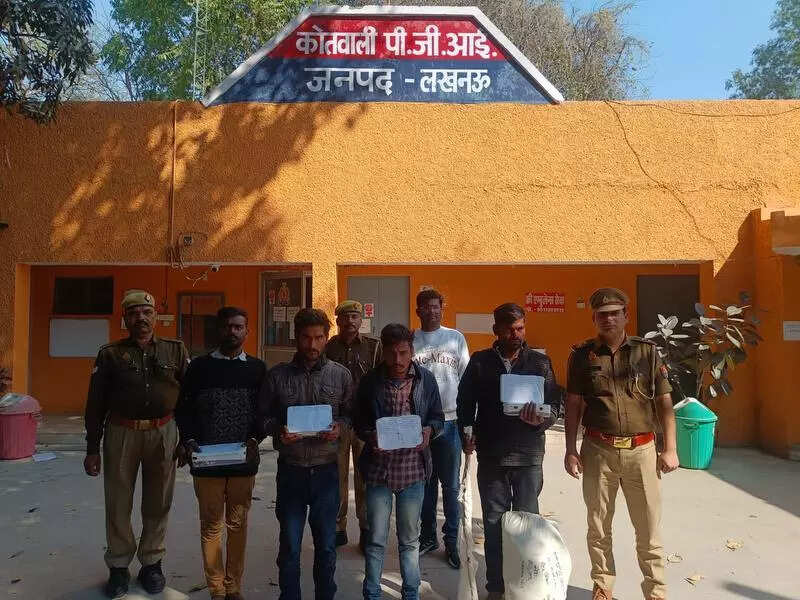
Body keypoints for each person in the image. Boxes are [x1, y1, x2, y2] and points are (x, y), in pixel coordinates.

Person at [564, 287, 679, 600]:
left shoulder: (647, 353)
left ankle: (656, 592)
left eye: (615, 313)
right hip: (598, 450)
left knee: (648, 528)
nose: (609, 319)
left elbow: (664, 401)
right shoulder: (582, 356)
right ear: (594, 318)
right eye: (602, 315)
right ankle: (603, 586)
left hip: (642, 451)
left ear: (626, 315)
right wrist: (570, 450)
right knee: (599, 526)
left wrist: (670, 448)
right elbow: (573, 404)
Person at [83, 289, 189, 598]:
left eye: (146, 312)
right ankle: (118, 566)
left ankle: (151, 563)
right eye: (133, 313)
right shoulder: (110, 354)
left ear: (155, 316)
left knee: (159, 500)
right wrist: (92, 448)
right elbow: (95, 404)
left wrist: (187, 438)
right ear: (125, 319)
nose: (140, 318)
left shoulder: (175, 350)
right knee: (118, 501)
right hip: (121, 432)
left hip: (164, 431)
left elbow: (189, 397)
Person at [457, 303, 561, 600]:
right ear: (496, 331)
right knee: (494, 524)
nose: (516, 334)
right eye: (509, 330)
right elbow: (465, 403)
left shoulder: (540, 363)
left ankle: (526, 588)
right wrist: (466, 433)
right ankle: (496, 587)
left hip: (529, 455)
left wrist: (543, 419)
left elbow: (554, 405)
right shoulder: (480, 362)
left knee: (527, 526)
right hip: (491, 455)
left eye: (520, 328)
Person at [259, 308, 353, 600]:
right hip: (291, 471)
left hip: (327, 471)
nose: (312, 345)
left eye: (318, 338)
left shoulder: (341, 375)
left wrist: (340, 427)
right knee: (290, 545)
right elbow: (261, 418)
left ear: (327, 338)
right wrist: (278, 430)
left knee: (326, 546)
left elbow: (351, 415)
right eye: (306, 338)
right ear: (296, 337)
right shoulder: (277, 376)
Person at [175, 306, 267, 600]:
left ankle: (234, 587)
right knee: (211, 525)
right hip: (207, 460)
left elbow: (264, 412)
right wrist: (188, 439)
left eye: (239, 327)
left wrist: (256, 437)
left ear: (247, 331)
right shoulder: (199, 368)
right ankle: (216, 589)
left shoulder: (257, 369)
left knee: (237, 525)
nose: (233, 331)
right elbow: (184, 408)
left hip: (242, 461)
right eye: (228, 326)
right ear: (219, 330)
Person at [355, 323, 444, 600]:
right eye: (392, 353)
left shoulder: (426, 380)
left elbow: (438, 417)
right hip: (378, 472)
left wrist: (430, 431)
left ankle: (410, 593)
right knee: (375, 540)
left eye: (403, 353)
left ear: (412, 351)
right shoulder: (370, 381)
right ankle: (372, 593)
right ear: (383, 352)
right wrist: (370, 436)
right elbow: (359, 421)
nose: (398, 360)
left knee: (409, 540)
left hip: (412, 471)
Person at [412, 289, 470, 568]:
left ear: (442, 309)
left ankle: (451, 541)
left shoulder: (455, 338)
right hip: (421, 424)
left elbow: (466, 380)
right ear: (418, 311)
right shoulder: (411, 340)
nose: (432, 311)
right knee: (425, 484)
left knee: (451, 486)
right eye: (426, 307)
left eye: (436, 307)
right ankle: (428, 537)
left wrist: (469, 425)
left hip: (451, 421)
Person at [325, 300, 382, 551]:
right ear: (337, 320)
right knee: (336, 476)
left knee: (365, 475)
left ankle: (366, 527)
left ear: (361, 320)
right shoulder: (328, 348)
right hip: (336, 420)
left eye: (355, 316)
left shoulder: (374, 347)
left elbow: (382, 382)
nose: (350, 321)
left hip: (364, 421)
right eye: (346, 316)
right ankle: (338, 527)